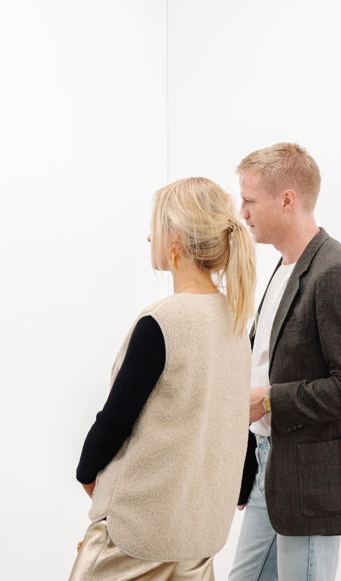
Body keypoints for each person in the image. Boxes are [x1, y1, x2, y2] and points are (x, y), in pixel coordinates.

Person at [70, 177, 258, 580]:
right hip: (198, 538)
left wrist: (86, 472)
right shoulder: (236, 320)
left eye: (155, 225)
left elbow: (115, 420)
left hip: (138, 536)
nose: (148, 236)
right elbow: (235, 416)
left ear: (175, 239)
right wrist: (240, 483)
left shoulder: (164, 321)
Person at [228, 142, 341, 581]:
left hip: (311, 481)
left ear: (287, 200)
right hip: (269, 469)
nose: (243, 212)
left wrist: (272, 401)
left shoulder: (336, 272)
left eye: (250, 201)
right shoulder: (283, 268)